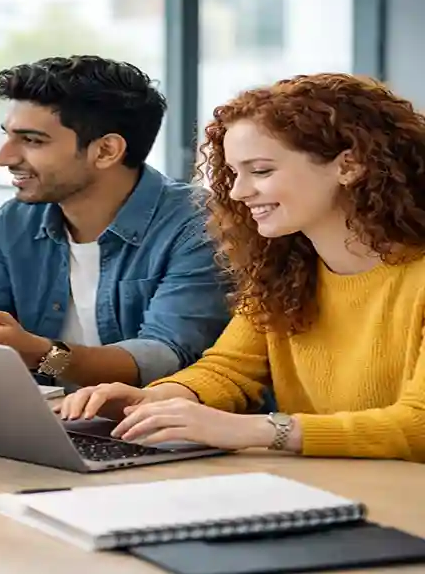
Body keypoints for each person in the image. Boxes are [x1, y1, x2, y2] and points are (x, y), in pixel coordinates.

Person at [59, 73, 425, 462]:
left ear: (348, 165)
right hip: (329, 485)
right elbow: (228, 371)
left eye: (262, 171)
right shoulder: (287, 270)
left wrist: (256, 429)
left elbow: (416, 425)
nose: (238, 191)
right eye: (235, 173)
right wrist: (154, 401)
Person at [0, 56, 230, 389]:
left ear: (106, 150)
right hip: (45, 418)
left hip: (156, 428)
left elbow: (163, 356)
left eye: (33, 140)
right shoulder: (14, 222)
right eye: (8, 136)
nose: (4, 157)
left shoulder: (198, 225)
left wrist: (43, 356)